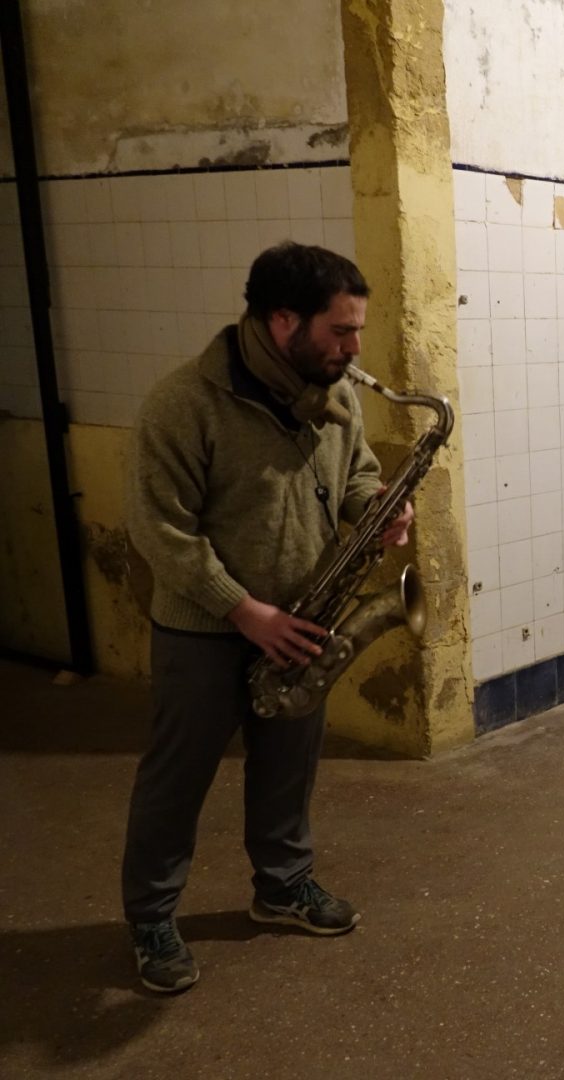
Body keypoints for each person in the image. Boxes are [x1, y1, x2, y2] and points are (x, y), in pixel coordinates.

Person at [121, 242, 414, 994]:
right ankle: (151, 918)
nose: (355, 349)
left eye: (357, 330)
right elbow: (160, 529)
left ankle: (282, 887)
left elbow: (358, 474)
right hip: (205, 629)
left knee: (288, 768)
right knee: (177, 779)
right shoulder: (184, 403)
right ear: (284, 320)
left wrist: (376, 509)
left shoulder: (335, 395)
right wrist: (243, 610)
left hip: (305, 620)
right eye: (341, 331)